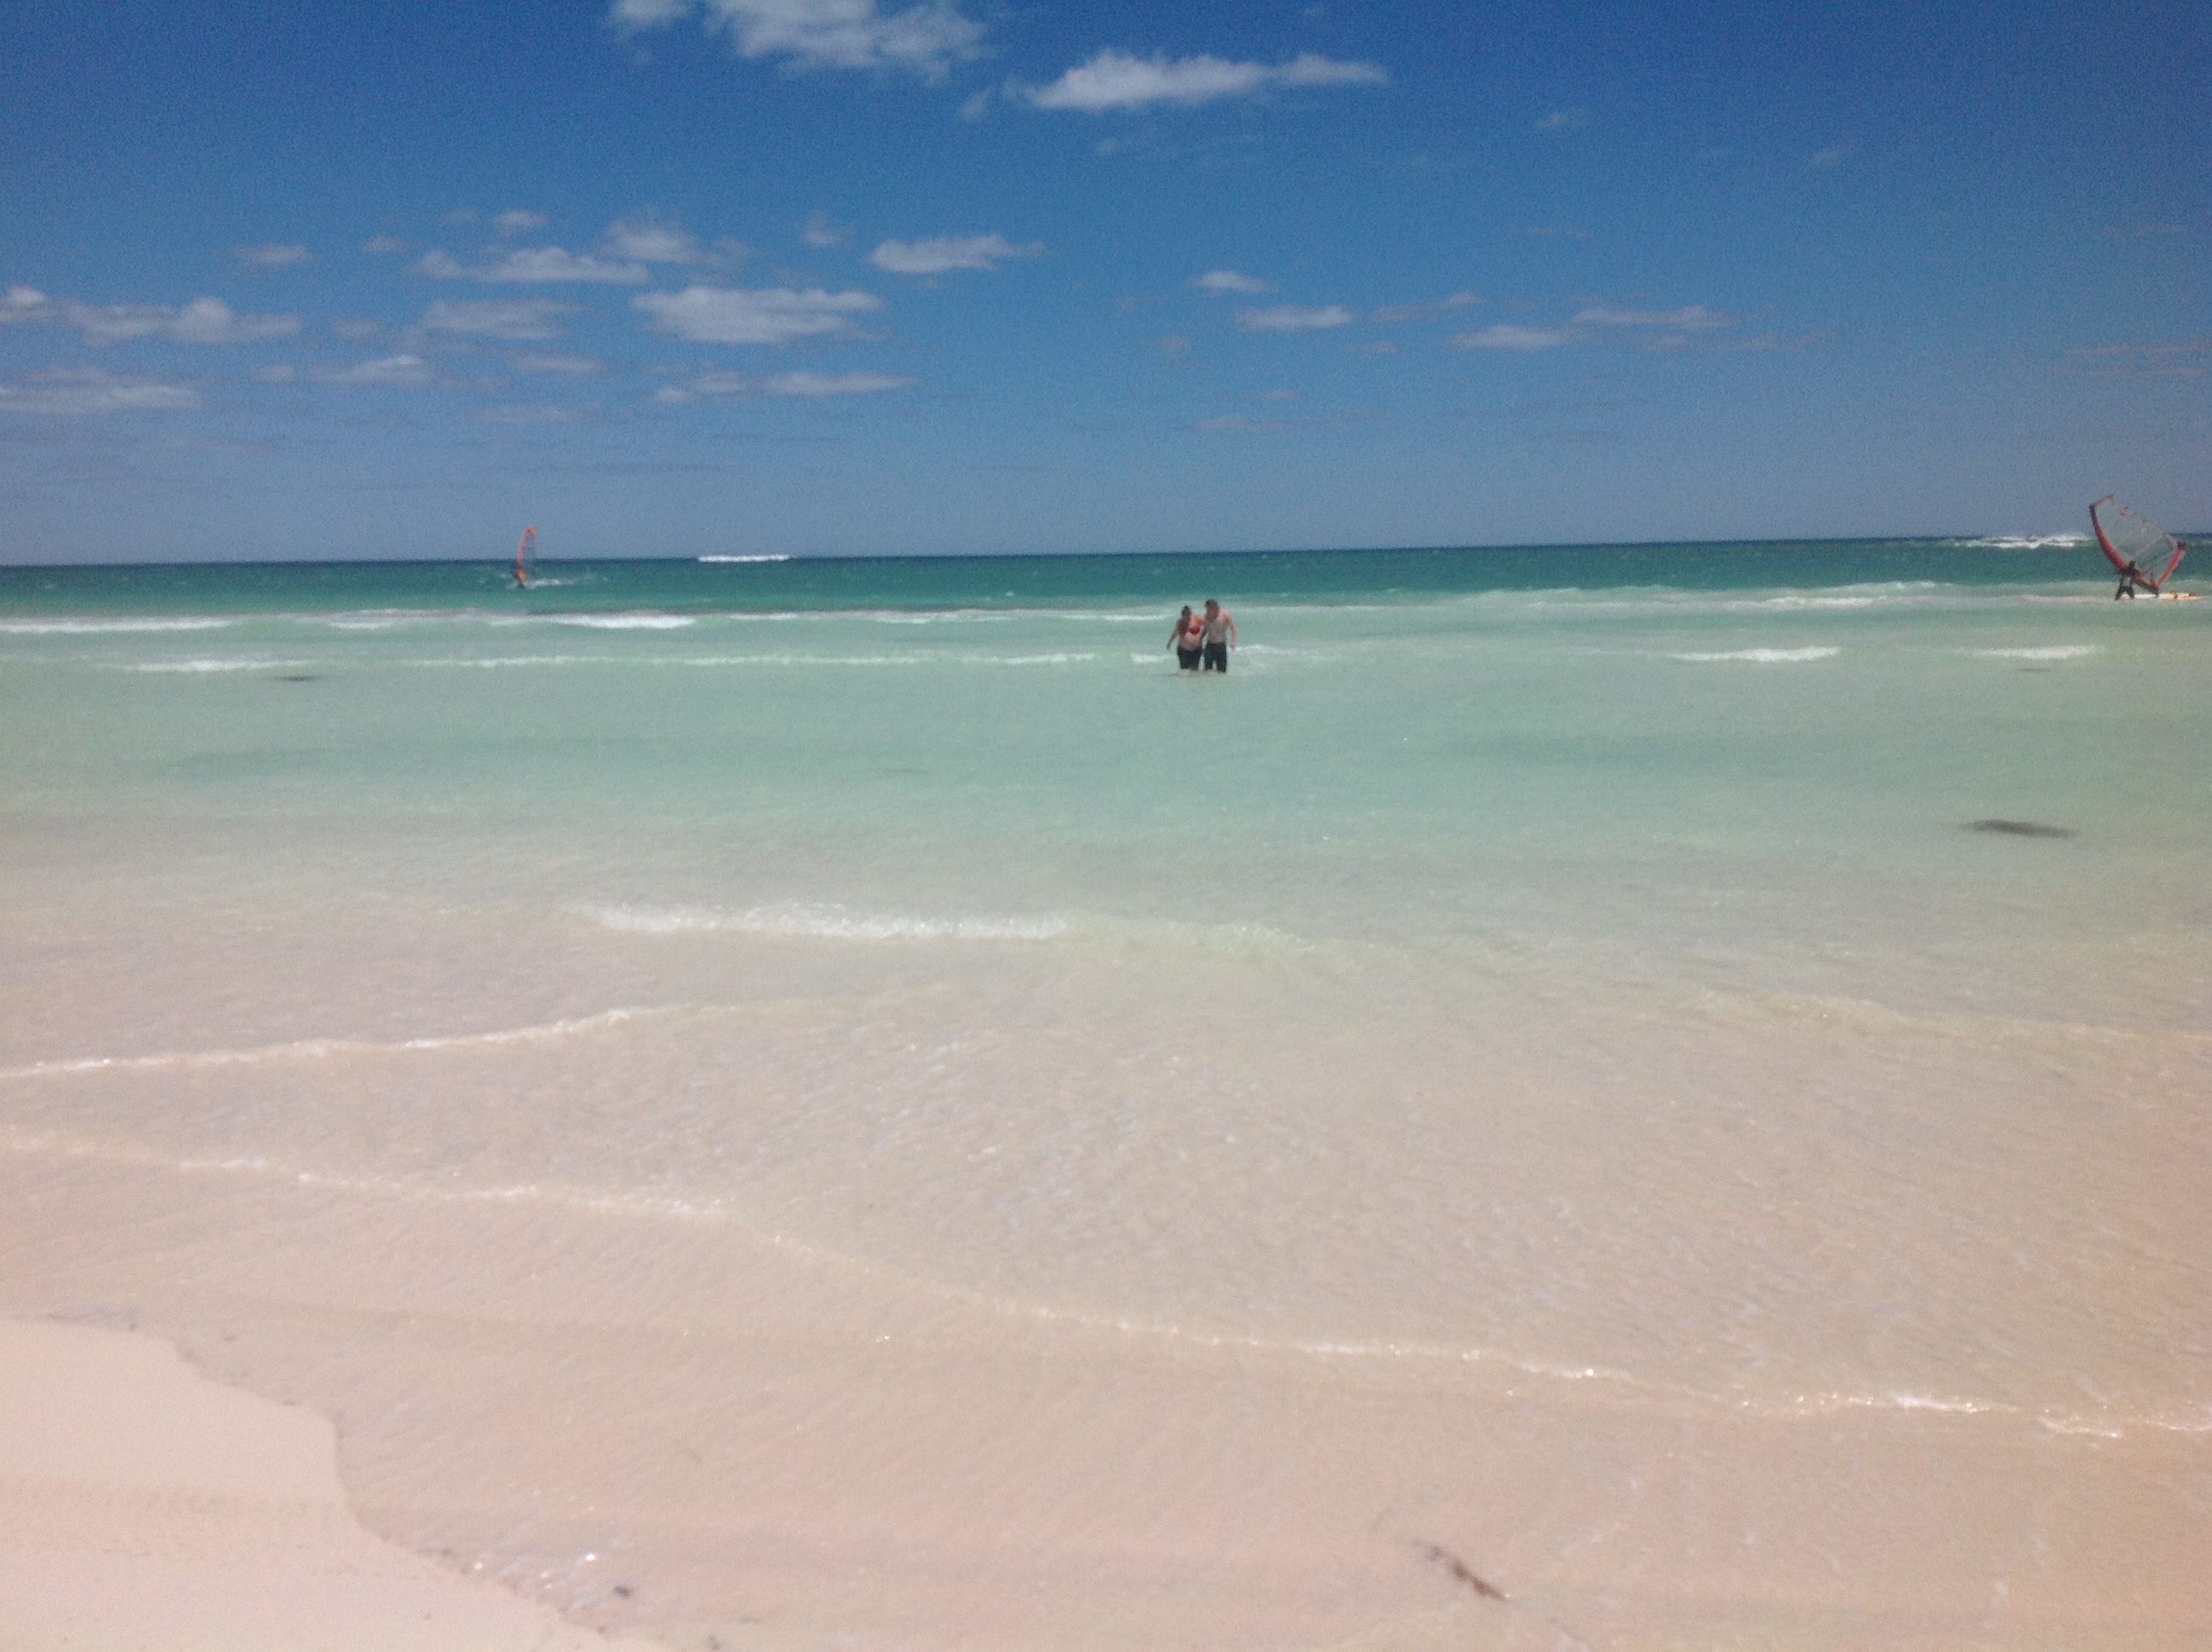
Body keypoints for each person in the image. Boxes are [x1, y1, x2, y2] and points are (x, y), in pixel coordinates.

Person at [1199, 598, 1237, 672]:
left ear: (1216, 607)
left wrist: (1233, 641)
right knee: (1207, 670)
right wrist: (1199, 640)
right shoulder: (1207, 616)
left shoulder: (1225, 615)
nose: (1208, 611)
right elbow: (1205, 629)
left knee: (1222, 670)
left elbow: (1233, 628)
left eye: (1210, 609)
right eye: (1207, 609)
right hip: (1210, 645)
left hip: (1221, 645)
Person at [1167, 605, 1204, 671]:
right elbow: (1176, 632)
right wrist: (1170, 642)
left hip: (1196, 649)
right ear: (1182, 615)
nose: (1187, 617)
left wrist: (1203, 637)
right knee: (1184, 671)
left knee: (1195, 670)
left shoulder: (1197, 619)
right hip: (1184, 649)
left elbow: (1208, 625)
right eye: (1185, 615)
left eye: (1189, 614)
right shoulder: (1180, 622)